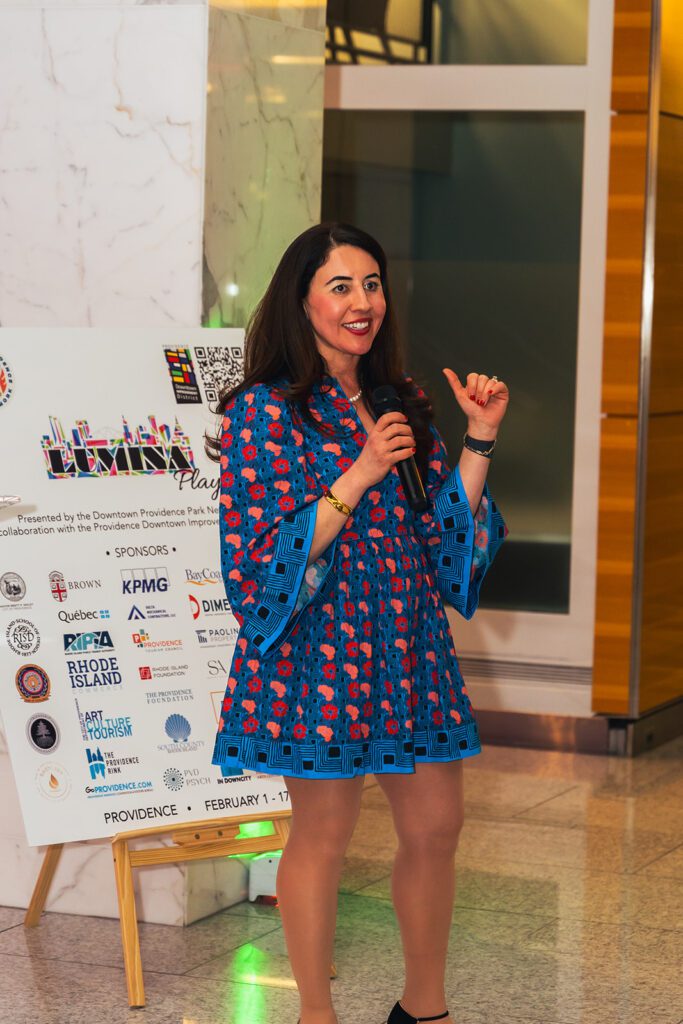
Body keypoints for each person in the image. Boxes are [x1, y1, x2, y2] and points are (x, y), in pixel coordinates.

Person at [208, 223, 509, 1024]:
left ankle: (424, 1007)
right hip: (318, 653)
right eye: (340, 286)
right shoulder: (263, 412)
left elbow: (443, 541)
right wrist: (362, 468)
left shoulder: (397, 399)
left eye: (371, 284)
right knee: (324, 834)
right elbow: (258, 557)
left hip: (408, 648)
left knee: (438, 825)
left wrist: (477, 440)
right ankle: (315, 1012)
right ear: (299, 299)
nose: (361, 302)